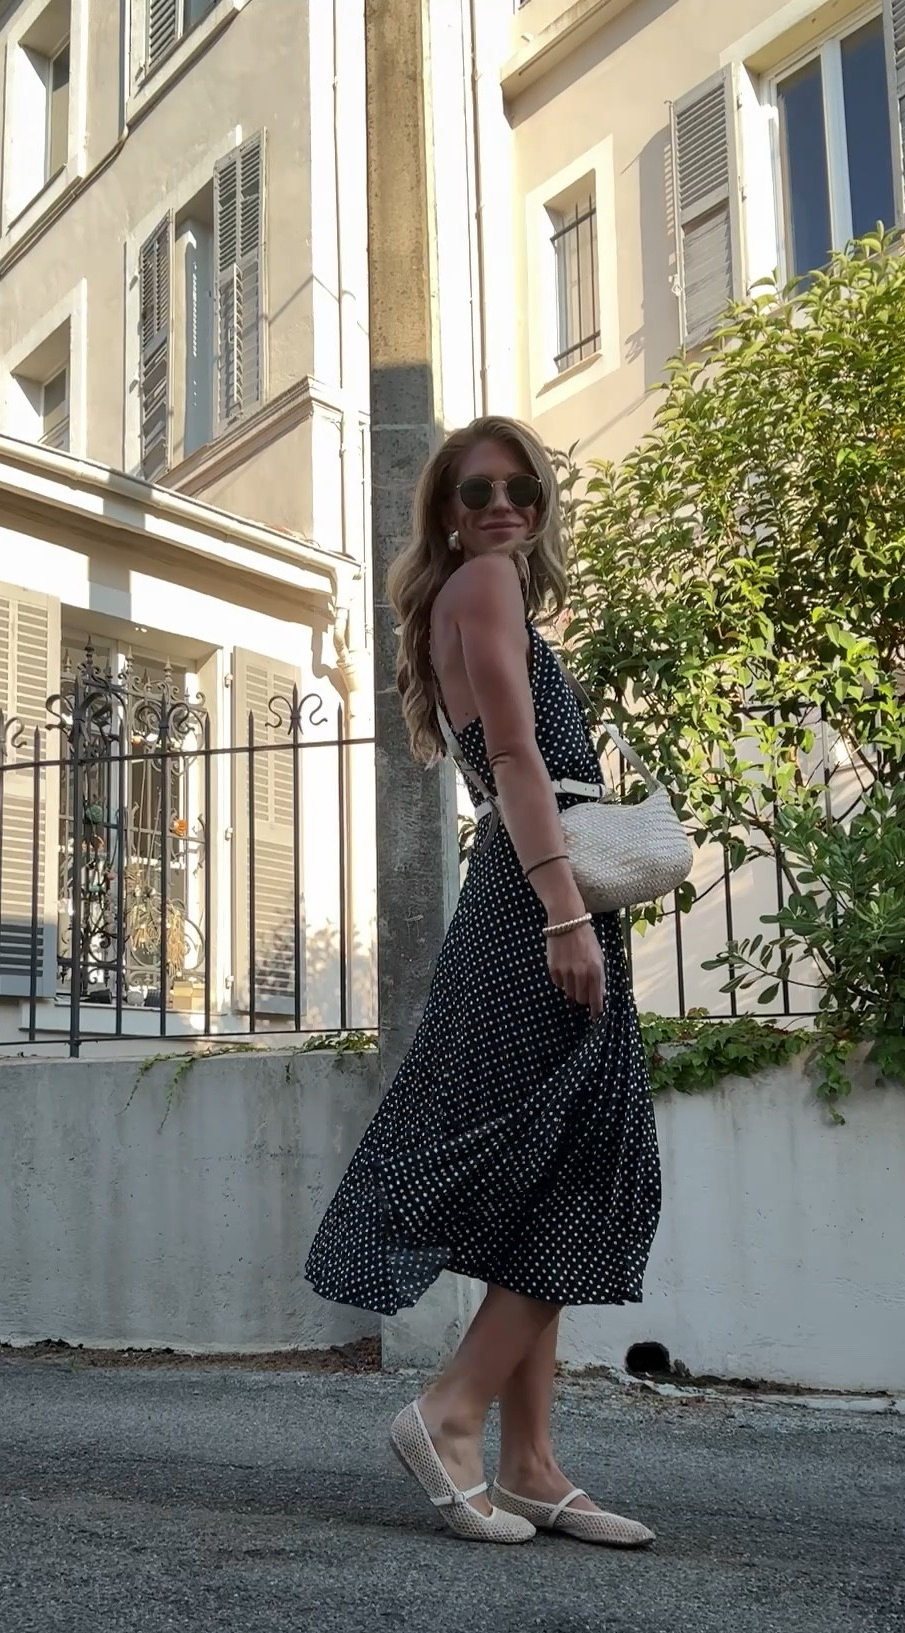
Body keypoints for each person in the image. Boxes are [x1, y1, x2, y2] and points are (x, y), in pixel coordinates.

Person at [306, 415, 660, 1546]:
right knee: (594, 1171)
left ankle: (534, 1464)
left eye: (521, 489)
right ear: (449, 518)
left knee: (549, 1178)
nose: (502, 506)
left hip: (524, 897)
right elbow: (515, 760)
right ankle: (450, 1415)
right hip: (534, 906)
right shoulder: (487, 586)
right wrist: (566, 916)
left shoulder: (467, 599)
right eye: (477, 492)